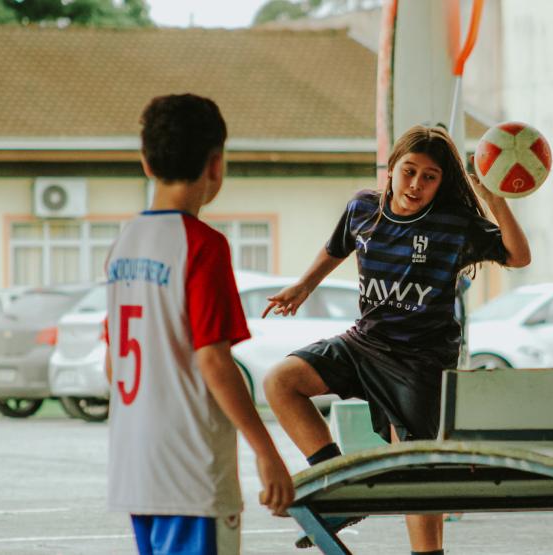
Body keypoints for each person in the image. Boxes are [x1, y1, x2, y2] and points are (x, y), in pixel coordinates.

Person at [263, 124, 531, 553]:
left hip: (421, 362)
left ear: (441, 183)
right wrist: (303, 286)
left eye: (430, 177)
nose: (416, 184)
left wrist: (494, 199)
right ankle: (340, 487)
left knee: (416, 480)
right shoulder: (362, 209)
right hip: (363, 344)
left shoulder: (453, 225)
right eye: (409, 171)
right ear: (391, 169)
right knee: (281, 381)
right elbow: (338, 247)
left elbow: (518, 255)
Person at [104, 93, 294, 555]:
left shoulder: (123, 243)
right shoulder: (202, 245)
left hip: (134, 464)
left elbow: (113, 365)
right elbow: (214, 360)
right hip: (191, 470)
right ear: (216, 164)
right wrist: (267, 453)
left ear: (146, 163)